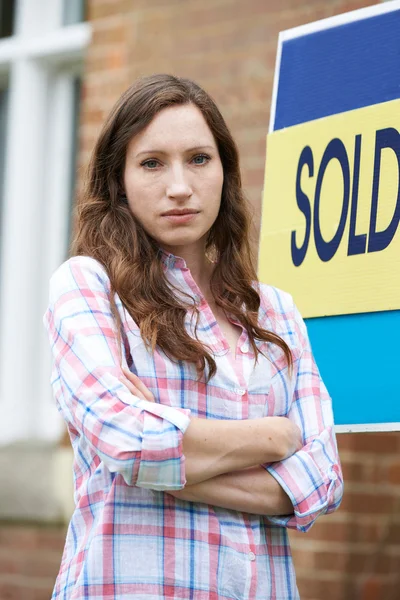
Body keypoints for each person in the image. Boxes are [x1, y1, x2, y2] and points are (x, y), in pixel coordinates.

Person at [43, 73, 343, 600]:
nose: (179, 186)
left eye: (199, 159)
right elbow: (126, 439)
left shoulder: (275, 311)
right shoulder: (88, 287)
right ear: (119, 181)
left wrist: (156, 458)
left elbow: (322, 481)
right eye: (152, 162)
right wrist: (274, 438)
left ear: (225, 171)